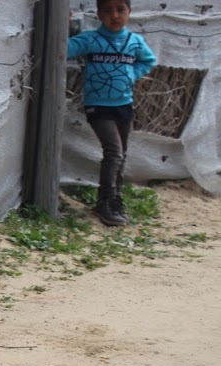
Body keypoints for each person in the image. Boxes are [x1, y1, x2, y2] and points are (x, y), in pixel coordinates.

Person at [68, 0, 156, 227]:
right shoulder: (91, 40)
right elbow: (66, 49)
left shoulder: (134, 42)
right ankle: (105, 200)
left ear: (129, 12)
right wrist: (67, 26)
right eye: (107, 10)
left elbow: (149, 60)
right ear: (98, 14)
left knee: (122, 154)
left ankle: (115, 198)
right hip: (98, 105)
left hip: (124, 105)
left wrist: (131, 75)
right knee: (114, 151)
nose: (114, 15)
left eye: (120, 10)